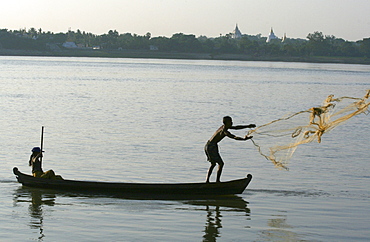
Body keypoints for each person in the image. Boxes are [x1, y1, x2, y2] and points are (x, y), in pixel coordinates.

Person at [205, 116, 255, 183]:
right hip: (211, 146)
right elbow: (234, 137)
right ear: (226, 123)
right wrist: (244, 139)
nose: (232, 123)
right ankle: (217, 181)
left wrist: (248, 126)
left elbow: (236, 127)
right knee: (221, 164)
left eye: (232, 121)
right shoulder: (225, 131)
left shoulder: (223, 127)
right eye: (230, 122)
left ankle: (208, 181)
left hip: (208, 145)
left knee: (213, 164)